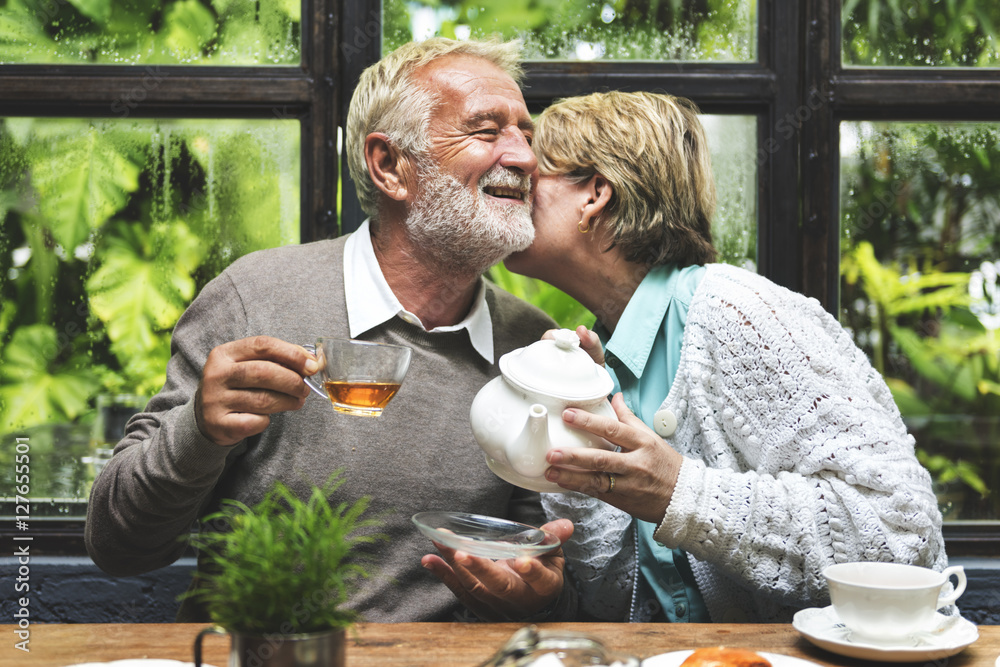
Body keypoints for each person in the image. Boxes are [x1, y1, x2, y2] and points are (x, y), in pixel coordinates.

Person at [85, 37, 575, 624]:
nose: (524, 158)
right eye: (487, 130)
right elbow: (118, 544)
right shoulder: (256, 297)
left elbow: (538, 555)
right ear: (390, 165)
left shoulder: (535, 347)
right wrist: (198, 432)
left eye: (527, 132)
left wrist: (536, 592)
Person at [503, 90, 947, 623]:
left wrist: (680, 492)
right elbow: (622, 603)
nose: (513, 190)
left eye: (534, 175)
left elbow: (902, 533)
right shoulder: (600, 360)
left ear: (595, 194)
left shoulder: (737, 311)